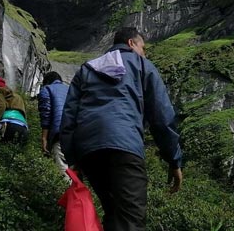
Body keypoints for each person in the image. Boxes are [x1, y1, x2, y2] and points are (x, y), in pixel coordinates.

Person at [60, 28, 183, 231]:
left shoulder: (87, 69)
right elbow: (161, 116)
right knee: (130, 220)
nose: (145, 53)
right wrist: (174, 159)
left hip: (89, 152)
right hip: (124, 146)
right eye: (143, 47)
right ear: (131, 43)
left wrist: (74, 159)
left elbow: (69, 118)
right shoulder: (142, 65)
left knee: (115, 213)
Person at [38, 70, 70, 174]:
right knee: (75, 173)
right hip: (78, 134)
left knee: (63, 171)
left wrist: (44, 138)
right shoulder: (70, 90)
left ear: (46, 81)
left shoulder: (47, 89)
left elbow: (46, 114)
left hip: (60, 134)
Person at [0, 76, 29, 145]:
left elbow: (0, 106)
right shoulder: (16, 96)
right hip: (23, 127)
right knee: (14, 153)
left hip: (7, 124)